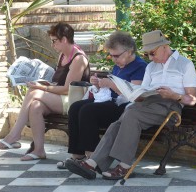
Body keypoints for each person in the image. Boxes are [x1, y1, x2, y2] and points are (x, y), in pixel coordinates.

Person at [65, 30, 196, 180]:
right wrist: (134, 94)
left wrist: (175, 95)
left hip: (170, 107)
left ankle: (125, 166)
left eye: (152, 53)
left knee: (131, 115)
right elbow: (142, 91)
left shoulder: (185, 64)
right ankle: (92, 163)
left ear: (164, 47)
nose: (150, 58)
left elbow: (192, 99)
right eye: (147, 54)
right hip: (148, 103)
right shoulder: (151, 67)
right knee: (119, 121)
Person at [0, 22, 90, 161]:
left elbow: (67, 89)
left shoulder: (78, 59)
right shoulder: (63, 55)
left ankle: (14, 135)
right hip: (60, 97)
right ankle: (39, 150)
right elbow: (58, 83)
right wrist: (43, 82)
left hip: (73, 100)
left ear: (64, 39)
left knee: (34, 92)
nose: (52, 45)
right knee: (35, 106)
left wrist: (42, 87)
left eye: (54, 41)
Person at [56, 31, 147, 169]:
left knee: (88, 111)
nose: (114, 59)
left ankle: (94, 157)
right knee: (75, 107)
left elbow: (134, 94)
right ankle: (77, 155)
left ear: (129, 51)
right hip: (111, 101)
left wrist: (110, 84)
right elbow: (111, 86)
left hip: (125, 107)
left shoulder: (140, 66)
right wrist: (98, 83)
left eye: (116, 55)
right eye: (111, 55)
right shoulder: (119, 65)